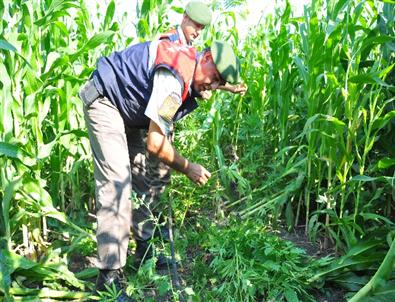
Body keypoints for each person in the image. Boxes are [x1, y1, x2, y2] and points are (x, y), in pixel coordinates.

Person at [79, 38, 242, 299]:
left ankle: (144, 252)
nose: (211, 88)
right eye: (214, 79)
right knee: (118, 184)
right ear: (207, 57)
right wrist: (189, 167)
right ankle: (108, 280)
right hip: (106, 101)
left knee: (145, 179)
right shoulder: (173, 83)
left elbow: (202, 76)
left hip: (130, 112)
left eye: (218, 83)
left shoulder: (192, 60)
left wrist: (226, 86)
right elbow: (156, 144)